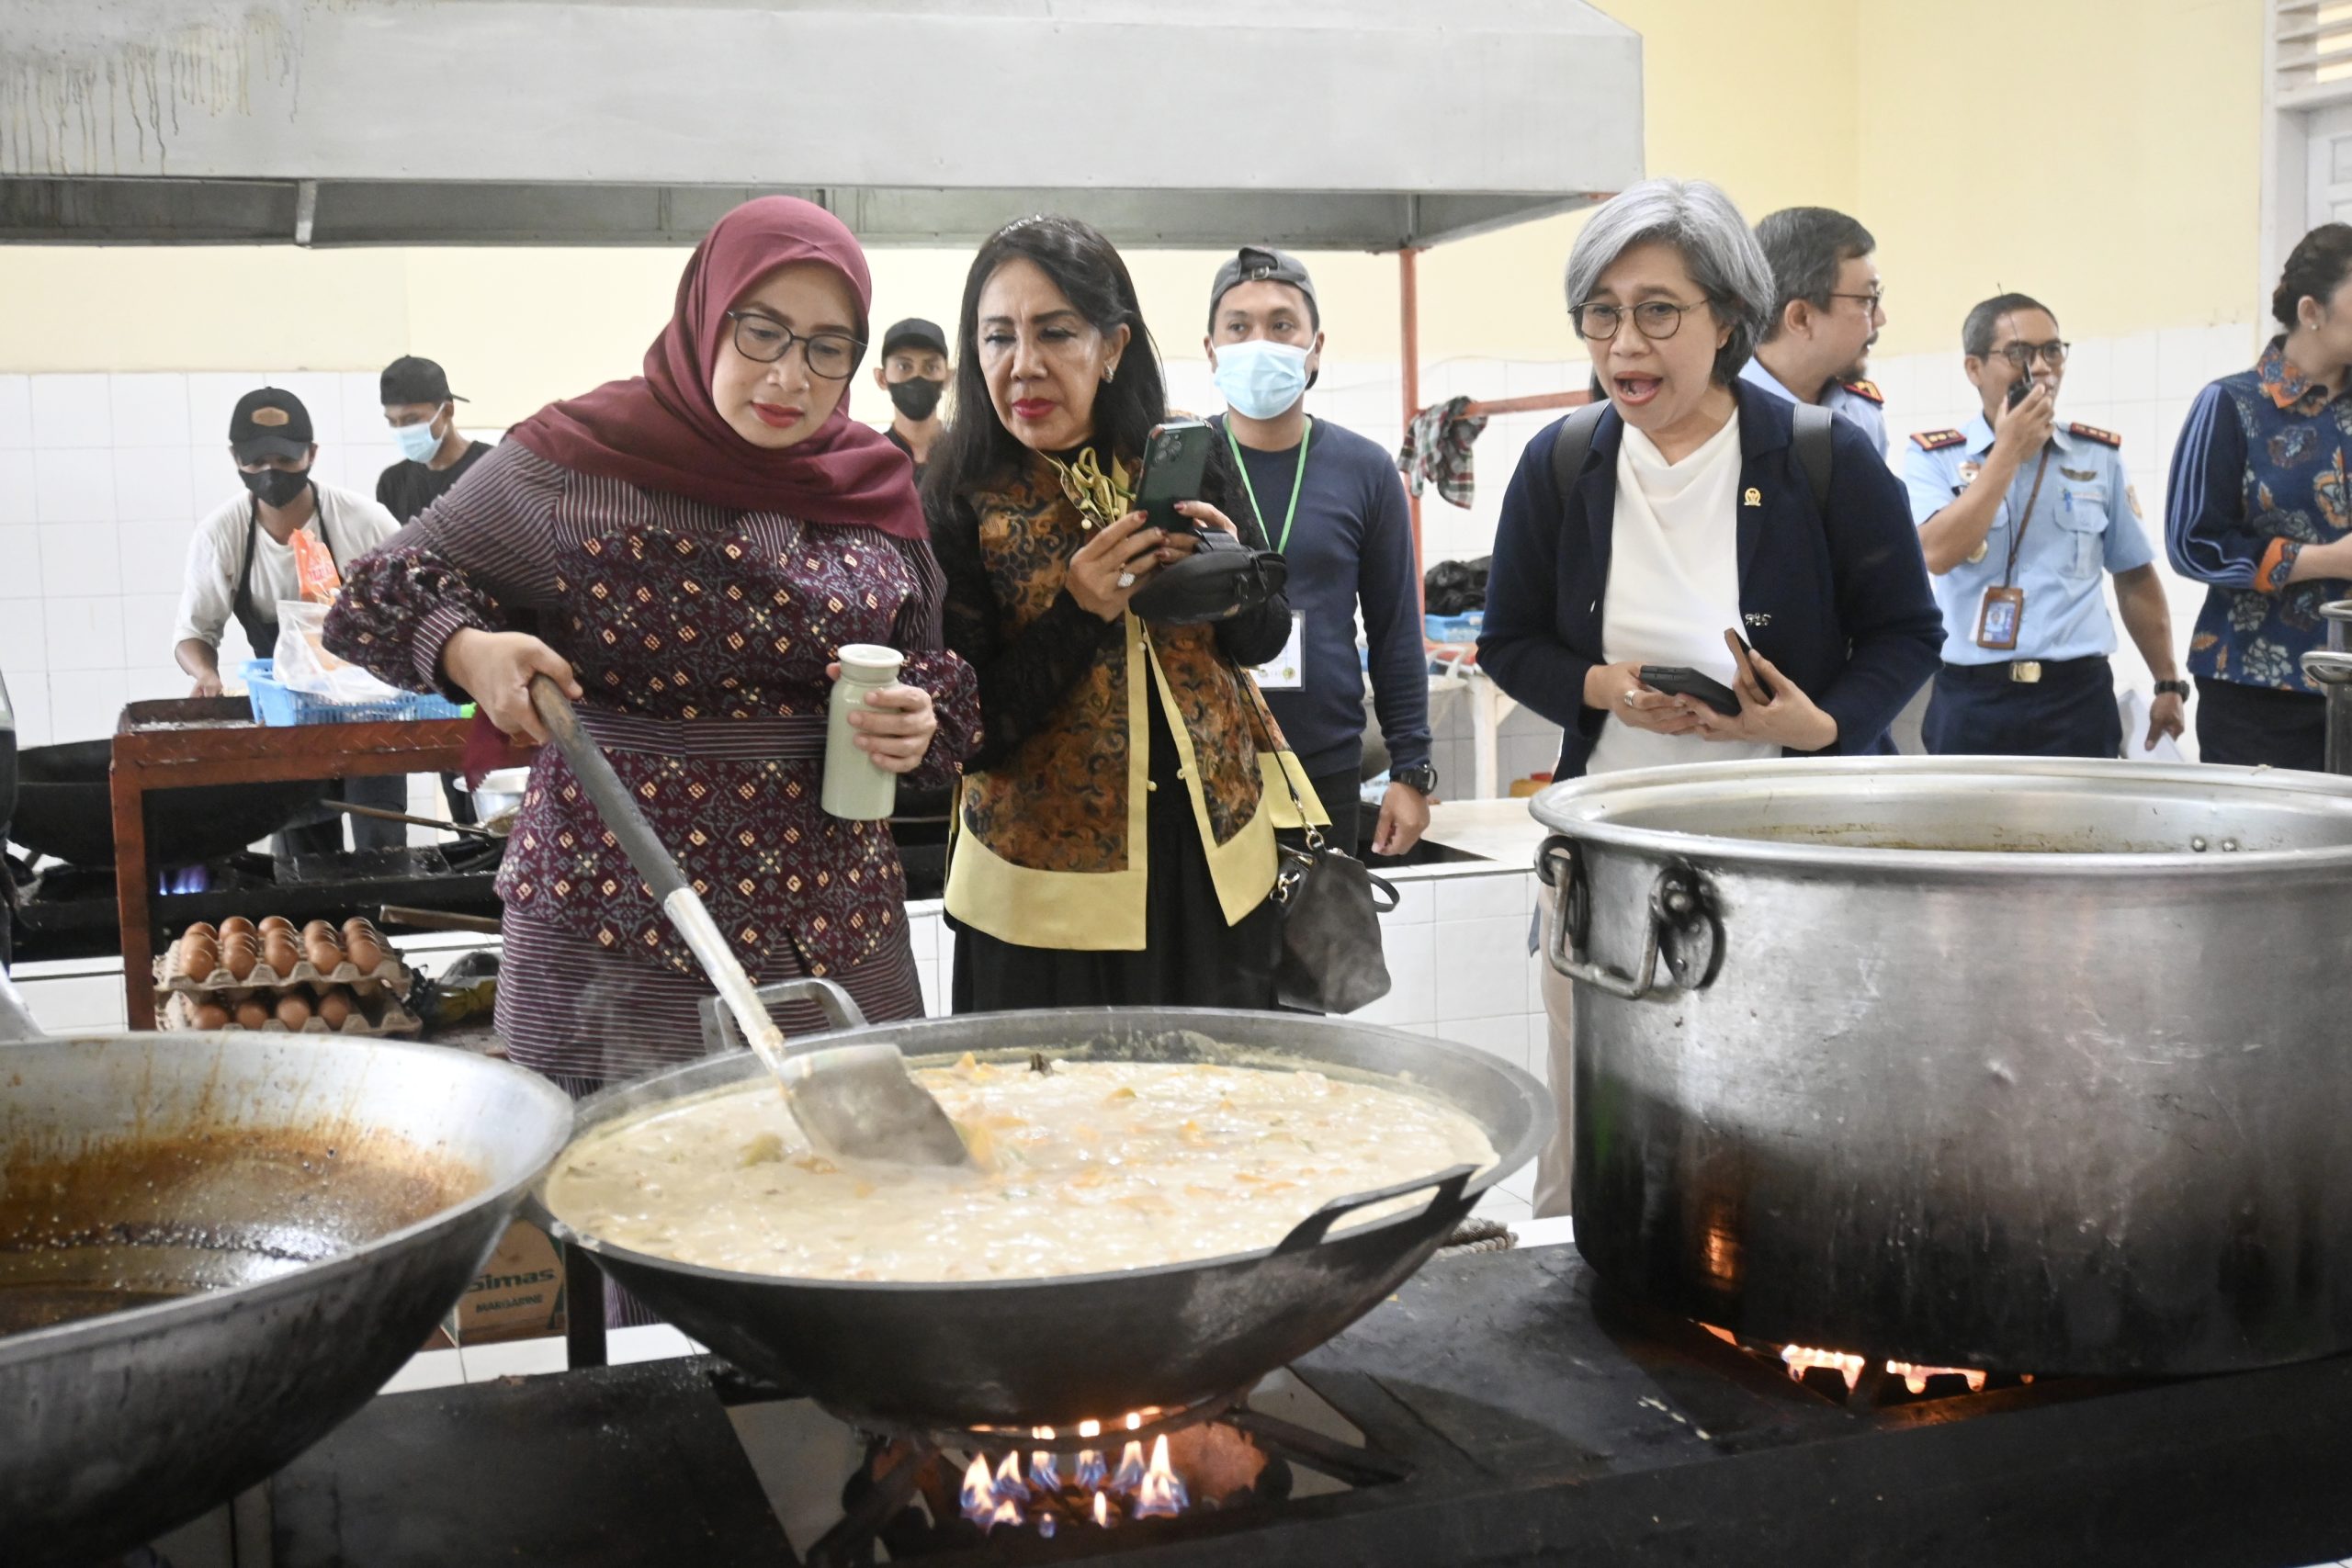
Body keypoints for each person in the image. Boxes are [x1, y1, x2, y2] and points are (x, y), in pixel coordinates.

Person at [324, 196, 979, 1094]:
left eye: (828, 348)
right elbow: (371, 593)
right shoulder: (577, 465)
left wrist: (921, 719)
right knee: (614, 1175)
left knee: (850, 1172)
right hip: (613, 941)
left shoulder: (871, 481)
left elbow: (933, 665)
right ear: (707, 316)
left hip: (835, 942)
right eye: (762, 332)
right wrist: (467, 651)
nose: (789, 376)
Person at [1476, 178, 1943, 1218]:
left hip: (1785, 854)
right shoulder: (1562, 464)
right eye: (1601, 313)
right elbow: (1509, 640)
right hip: (1608, 857)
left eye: (1657, 311)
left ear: (1727, 318)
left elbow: (1907, 633)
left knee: (1776, 1128)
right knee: (1595, 1136)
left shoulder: (1822, 456)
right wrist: (1602, 686)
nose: (1624, 345)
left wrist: (1817, 724)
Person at [924, 215, 1302, 1014]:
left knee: (1219, 1090)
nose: (1024, 365)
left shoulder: (1184, 450)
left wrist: (1232, 575)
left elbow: (1264, 641)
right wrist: (1078, 611)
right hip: (1041, 897)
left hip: (1208, 870)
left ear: (1113, 347)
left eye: (1055, 332)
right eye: (998, 338)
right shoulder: (960, 496)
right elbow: (968, 732)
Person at [1204, 243, 1434, 855]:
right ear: (1211, 350)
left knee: (1325, 921)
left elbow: (1395, 630)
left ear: (1315, 347)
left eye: (1282, 325)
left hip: (1324, 767)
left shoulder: (1366, 470)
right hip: (1201, 768)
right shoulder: (1181, 462)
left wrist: (1411, 769)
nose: (1261, 342)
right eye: (1238, 327)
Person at [1905, 294, 2186, 757]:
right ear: (1974, 368)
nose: (2041, 368)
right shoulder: (1934, 457)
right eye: (2019, 353)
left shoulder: (2097, 456)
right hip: (1973, 697)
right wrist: (2007, 452)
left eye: (2053, 351)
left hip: (2076, 696)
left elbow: (2134, 573)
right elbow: (1936, 553)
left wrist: (2168, 681)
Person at [172, 387, 407, 854]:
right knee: (302, 858)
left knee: (382, 848)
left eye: (284, 459)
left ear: (311, 454)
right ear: (236, 459)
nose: (270, 472)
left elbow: (411, 609)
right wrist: (205, 674)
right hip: (288, 717)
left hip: (371, 712)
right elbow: (194, 632)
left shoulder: (365, 521)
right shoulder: (222, 534)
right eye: (257, 462)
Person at [2167, 223, 2352, 771]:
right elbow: (2192, 545)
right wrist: (2328, 560)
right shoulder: (2232, 404)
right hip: (2259, 692)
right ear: (2311, 311)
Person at [1743, 206, 1890, 454]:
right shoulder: (1717, 416)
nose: (1880, 319)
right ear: (1801, 318)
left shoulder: (1861, 415)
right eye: (1865, 300)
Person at [377, 356, 492, 524]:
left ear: (447, 411)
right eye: (392, 421)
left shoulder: (490, 468)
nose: (401, 430)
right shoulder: (393, 483)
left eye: (411, 420)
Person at [875, 317, 950, 479]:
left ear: (948, 378)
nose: (917, 376)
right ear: (881, 378)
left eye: (931, 367)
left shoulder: (971, 456)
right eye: (904, 366)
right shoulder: (870, 461)